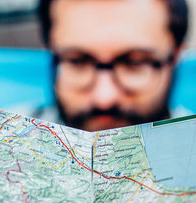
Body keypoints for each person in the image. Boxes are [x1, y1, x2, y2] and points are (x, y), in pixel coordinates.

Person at [37, 0, 188, 131]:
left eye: (135, 62)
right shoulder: (13, 141)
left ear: (176, 56)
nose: (104, 98)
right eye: (78, 61)